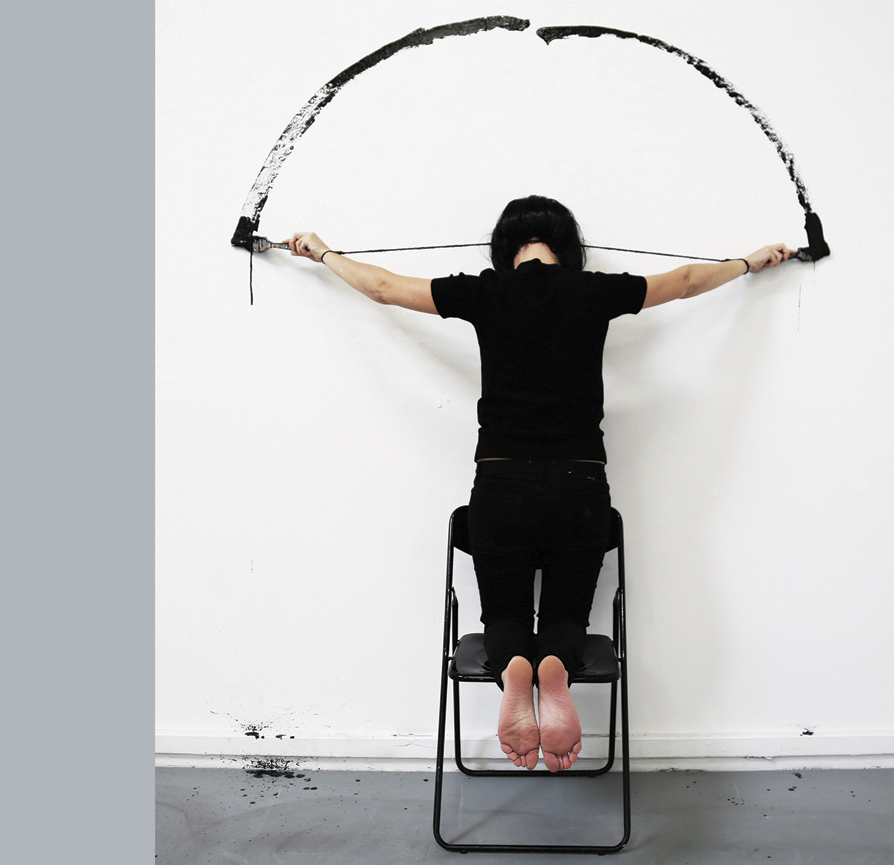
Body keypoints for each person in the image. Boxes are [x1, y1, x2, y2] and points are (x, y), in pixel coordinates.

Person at [284, 195, 793, 772]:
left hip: (500, 483)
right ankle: (554, 664)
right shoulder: (593, 291)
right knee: (568, 616)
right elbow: (684, 281)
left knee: (503, 615)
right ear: (567, 244)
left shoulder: (486, 292)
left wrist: (322, 252)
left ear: (505, 246)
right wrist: (748, 262)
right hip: (582, 483)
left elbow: (381, 287)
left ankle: (515, 667)